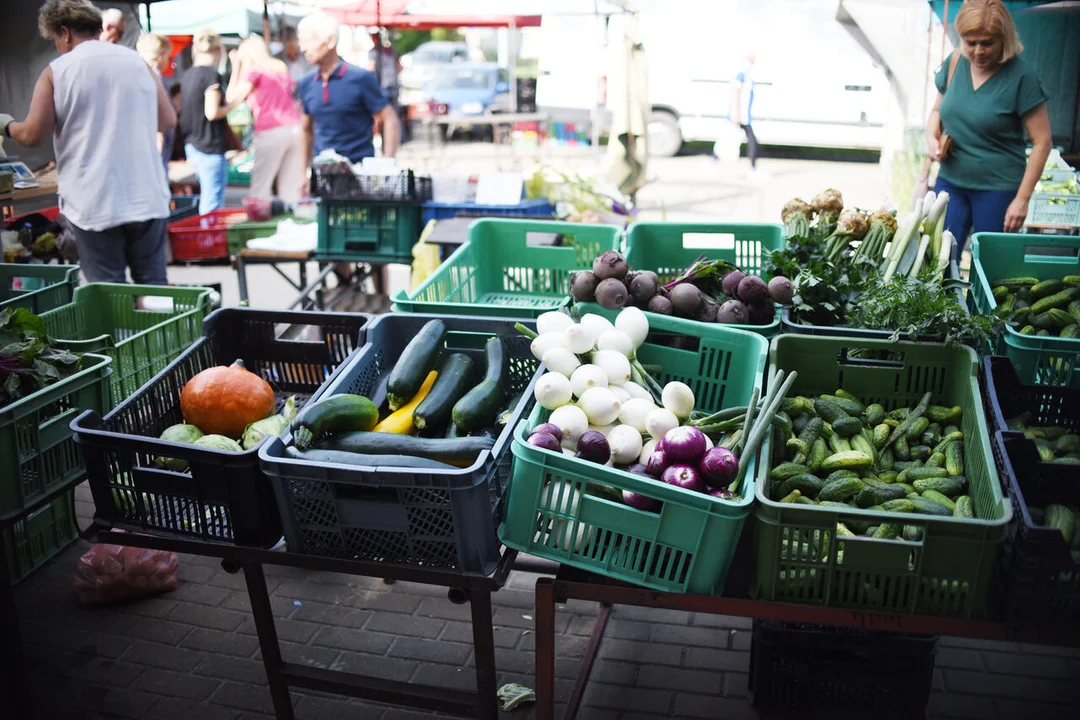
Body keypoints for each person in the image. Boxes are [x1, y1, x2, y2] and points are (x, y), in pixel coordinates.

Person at [0, 0, 174, 285]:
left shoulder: (57, 71)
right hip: (146, 195)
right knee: (154, 287)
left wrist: (7, 125)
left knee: (106, 289)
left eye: (56, 39)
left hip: (94, 201)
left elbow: (32, 135)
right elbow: (167, 121)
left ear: (65, 32)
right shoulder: (137, 61)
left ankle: (116, 332)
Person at [927, 0, 1051, 246]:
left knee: (989, 265)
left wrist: (1022, 199)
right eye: (970, 42)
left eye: (987, 43)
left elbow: (1042, 142)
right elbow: (937, 110)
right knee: (938, 259)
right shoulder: (955, 62)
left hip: (998, 190)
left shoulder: (1021, 76)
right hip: (950, 182)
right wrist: (931, 137)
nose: (978, 51)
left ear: (1003, 39)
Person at [297, 12, 400, 179]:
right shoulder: (307, 83)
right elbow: (305, 130)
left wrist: (387, 164)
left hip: (359, 173)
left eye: (309, 40)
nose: (303, 48)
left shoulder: (360, 78)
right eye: (301, 41)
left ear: (330, 41)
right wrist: (302, 173)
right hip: (322, 175)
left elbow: (389, 118)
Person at [226, 36, 304, 203]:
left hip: (271, 130)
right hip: (294, 128)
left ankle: (258, 224)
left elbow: (231, 98)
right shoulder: (280, 68)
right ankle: (292, 222)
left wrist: (236, 68)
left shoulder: (254, 71)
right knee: (290, 189)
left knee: (260, 187)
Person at [180, 28, 235, 215]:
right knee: (211, 203)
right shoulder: (211, 76)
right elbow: (212, 112)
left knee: (207, 198)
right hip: (209, 146)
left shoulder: (187, 75)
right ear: (219, 51)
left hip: (193, 143)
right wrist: (232, 105)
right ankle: (206, 242)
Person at [137, 32, 174, 179]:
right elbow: (157, 113)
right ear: (161, 54)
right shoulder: (154, 76)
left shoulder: (136, 73)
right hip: (155, 148)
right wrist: (159, 139)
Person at [729, 52, 761, 177]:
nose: (755, 58)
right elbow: (735, 92)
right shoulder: (742, 72)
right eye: (752, 56)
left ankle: (713, 161)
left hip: (744, 115)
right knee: (751, 141)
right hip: (741, 115)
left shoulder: (747, 72)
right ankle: (753, 169)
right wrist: (736, 114)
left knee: (750, 140)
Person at [278, 25, 314, 90]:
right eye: (287, 42)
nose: (290, 45)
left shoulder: (307, 58)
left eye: (293, 41)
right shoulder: (278, 60)